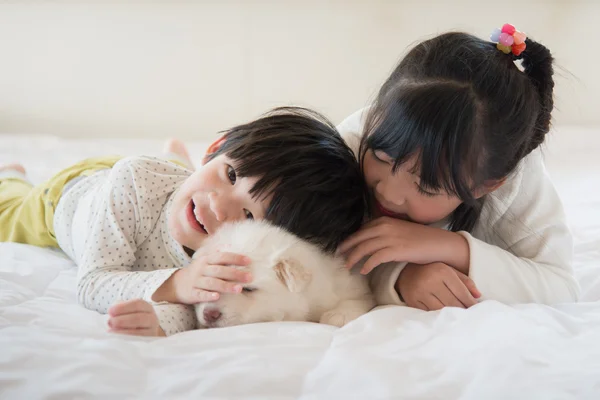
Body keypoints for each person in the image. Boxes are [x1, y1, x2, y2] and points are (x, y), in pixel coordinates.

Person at [0, 107, 367, 336]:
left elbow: (190, 313)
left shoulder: (234, 257)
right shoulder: (134, 180)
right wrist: (180, 282)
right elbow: (93, 283)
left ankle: (179, 161)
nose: (219, 207)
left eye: (249, 216)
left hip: (173, 189)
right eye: (232, 175)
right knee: (9, 210)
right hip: (72, 195)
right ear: (218, 147)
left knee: (187, 185)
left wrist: (157, 324)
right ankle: (12, 174)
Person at [337, 25, 581, 311]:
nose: (390, 194)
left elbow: (560, 287)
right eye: (381, 157)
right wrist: (400, 275)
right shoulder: (351, 142)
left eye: (426, 185)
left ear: (485, 186)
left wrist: (450, 247)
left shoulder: (515, 178)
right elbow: (309, 246)